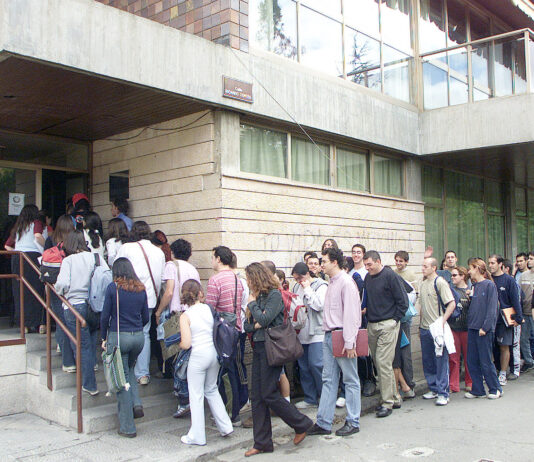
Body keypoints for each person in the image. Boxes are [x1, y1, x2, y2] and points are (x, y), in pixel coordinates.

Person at [243, 262, 312, 457]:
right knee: (257, 397)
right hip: (258, 347)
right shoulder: (258, 297)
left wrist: (253, 306)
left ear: (256, 278)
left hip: (272, 349)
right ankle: (262, 442)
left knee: (268, 393)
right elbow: (248, 326)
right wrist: (256, 319)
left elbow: (264, 321)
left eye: (248, 277)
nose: (247, 281)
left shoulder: (273, 295)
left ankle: (301, 423)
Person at [307, 247, 361, 437]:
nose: (321, 264)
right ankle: (323, 422)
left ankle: (353, 421)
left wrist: (350, 341)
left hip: (341, 336)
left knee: (350, 379)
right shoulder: (331, 282)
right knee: (328, 379)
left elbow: (352, 314)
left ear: (334, 262)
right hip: (329, 335)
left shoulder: (346, 282)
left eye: (324, 261)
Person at [178, 279, 233, 445]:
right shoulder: (208, 308)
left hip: (198, 356)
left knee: (196, 394)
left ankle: (197, 436)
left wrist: (177, 344)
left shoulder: (185, 316)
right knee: (211, 389)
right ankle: (225, 426)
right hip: (213, 353)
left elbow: (186, 343)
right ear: (199, 292)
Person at [100, 258, 149, 437]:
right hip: (138, 338)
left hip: (119, 338)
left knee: (120, 381)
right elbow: (145, 317)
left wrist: (103, 337)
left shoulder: (114, 288)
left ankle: (128, 427)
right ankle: (136, 404)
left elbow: (105, 316)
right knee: (129, 371)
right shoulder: (141, 289)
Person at [155, 238, 200, 418]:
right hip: (191, 314)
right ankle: (188, 395)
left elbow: (169, 291)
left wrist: (158, 311)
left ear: (172, 251)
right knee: (187, 356)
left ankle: (182, 398)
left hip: (176, 316)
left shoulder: (171, 266)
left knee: (174, 356)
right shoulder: (193, 269)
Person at [116, 221, 165, 385]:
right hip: (150, 298)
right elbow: (161, 278)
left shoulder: (126, 248)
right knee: (144, 333)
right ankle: (142, 373)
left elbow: (116, 269)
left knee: (124, 330)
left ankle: (125, 369)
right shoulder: (158, 252)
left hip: (128, 295)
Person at [362, 250, 408, 416]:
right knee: (379, 363)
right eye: (365, 265)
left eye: (370, 264)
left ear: (378, 261)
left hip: (388, 323)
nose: (367, 268)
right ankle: (395, 397)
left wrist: (394, 320)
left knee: (383, 362)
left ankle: (386, 403)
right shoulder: (368, 278)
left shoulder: (390, 276)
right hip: (372, 324)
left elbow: (403, 301)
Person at [54, 230, 100, 395]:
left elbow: (62, 284)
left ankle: (89, 385)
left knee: (82, 347)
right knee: (91, 343)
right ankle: (92, 365)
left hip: (75, 307)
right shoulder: (95, 257)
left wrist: (57, 289)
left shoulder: (68, 261)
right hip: (94, 307)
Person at [205, 246, 245, 427]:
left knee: (223, 373)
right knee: (233, 370)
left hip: (221, 332)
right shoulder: (238, 279)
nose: (212, 261)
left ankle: (229, 412)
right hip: (236, 328)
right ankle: (235, 409)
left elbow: (210, 309)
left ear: (219, 259)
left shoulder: (215, 280)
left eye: (213, 257)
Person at [416, 257, 456, 406]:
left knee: (440, 360)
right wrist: (420, 326)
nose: (423, 268)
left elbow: (451, 303)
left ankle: (443, 392)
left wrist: (442, 321)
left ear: (433, 268)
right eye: (422, 265)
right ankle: (433, 387)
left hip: (437, 329)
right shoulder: (423, 283)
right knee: (428, 360)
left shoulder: (439, 282)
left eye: (425, 266)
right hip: (425, 328)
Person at [291, 262, 327, 409]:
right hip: (301, 332)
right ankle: (310, 397)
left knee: (316, 364)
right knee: (304, 366)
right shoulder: (295, 287)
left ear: (306, 275)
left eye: (299, 278)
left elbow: (319, 305)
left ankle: (324, 396)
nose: (298, 282)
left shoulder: (321, 286)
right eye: (295, 279)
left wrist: (307, 289)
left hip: (317, 332)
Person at [4, 204, 45, 333]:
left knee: (20, 292)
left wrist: (17, 252)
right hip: (32, 258)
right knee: (37, 290)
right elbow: (38, 235)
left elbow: (7, 246)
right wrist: (47, 246)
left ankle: (24, 324)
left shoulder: (18, 227)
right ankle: (40, 323)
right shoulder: (36, 223)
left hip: (18, 259)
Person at [465, 259, 502, 399]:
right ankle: (478, 389)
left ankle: (495, 388)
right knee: (472, 360)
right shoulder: (475, 286)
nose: (469, 271)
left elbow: (492, 309)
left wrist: (485, 327)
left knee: (485, 360)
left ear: (477, 268)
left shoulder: (489, 285)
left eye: (470, 268)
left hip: (483, 330)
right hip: (472, 327)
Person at [44, 215, 75, 371]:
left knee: (61, 322)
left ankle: (67, 360)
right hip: (73, 285)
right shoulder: (74, 242)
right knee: (72, 322)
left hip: (55, 285)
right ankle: (75, 358)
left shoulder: (50, 240)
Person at [488, 254, 522, 386]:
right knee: (492, 347)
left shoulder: (508, 280)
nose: (490, 265)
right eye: (489, 263)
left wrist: (518, 317)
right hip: (490, 319)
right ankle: (494, 370)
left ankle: (503, 373)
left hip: (504, 319)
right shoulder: (488, 280)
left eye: (493, 263)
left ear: (500, 264)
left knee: (504, 346)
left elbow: (515, 299)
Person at [448, 266, 472, 393]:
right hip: (453, 328)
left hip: (467, 328)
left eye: (455, 275)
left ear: (463, 276)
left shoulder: (470, 290)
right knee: (453, 358)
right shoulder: (451, 291)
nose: (452, 278)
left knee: (469, 357)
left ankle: (470, 382)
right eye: (452, 275)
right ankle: (453, 384)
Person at [519, 251, 534, 373]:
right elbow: (518, 292)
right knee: (524, 339)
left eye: (531, 258)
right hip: (525, 311)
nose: (529, 261)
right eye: (529, 258)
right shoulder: (524, 275)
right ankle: (529, 361)